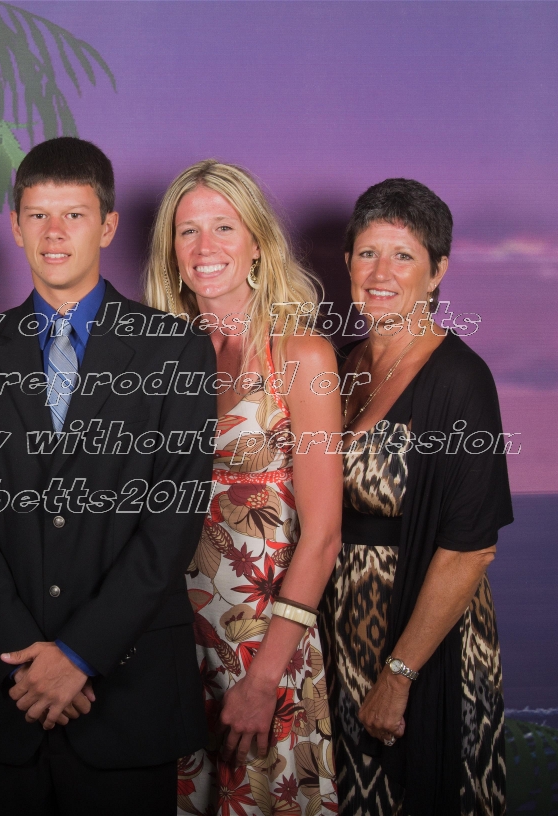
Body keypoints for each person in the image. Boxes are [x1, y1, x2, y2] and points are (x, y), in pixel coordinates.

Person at [0, 137, 216, 815]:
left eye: (74, 215)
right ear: (15, 226)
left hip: (128, 692)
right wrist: (26, 657)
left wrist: (80, 655)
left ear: (108, 225)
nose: (54, 233)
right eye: (37, 215)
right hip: (8, 692)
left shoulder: (176, 349)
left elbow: (171, 524)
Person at [143, 160, 342, 815]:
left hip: (264, 645)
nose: (205, 246)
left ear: (257, 242)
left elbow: (323, 536)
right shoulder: (158, 357)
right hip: (170, 644)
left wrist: (263, 679)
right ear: (172, 252)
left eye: (224, 227)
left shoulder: (302, 356)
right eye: (188, 231)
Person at [319, 178, 513, 816]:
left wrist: (400, 675)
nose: (381, 273)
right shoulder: (337, 367)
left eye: (403, 256)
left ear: (438, 271)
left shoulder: (461, 380)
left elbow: (470, 550)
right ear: (347, 262)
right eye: (367, 253)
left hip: (419, 644)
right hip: (337, 637)